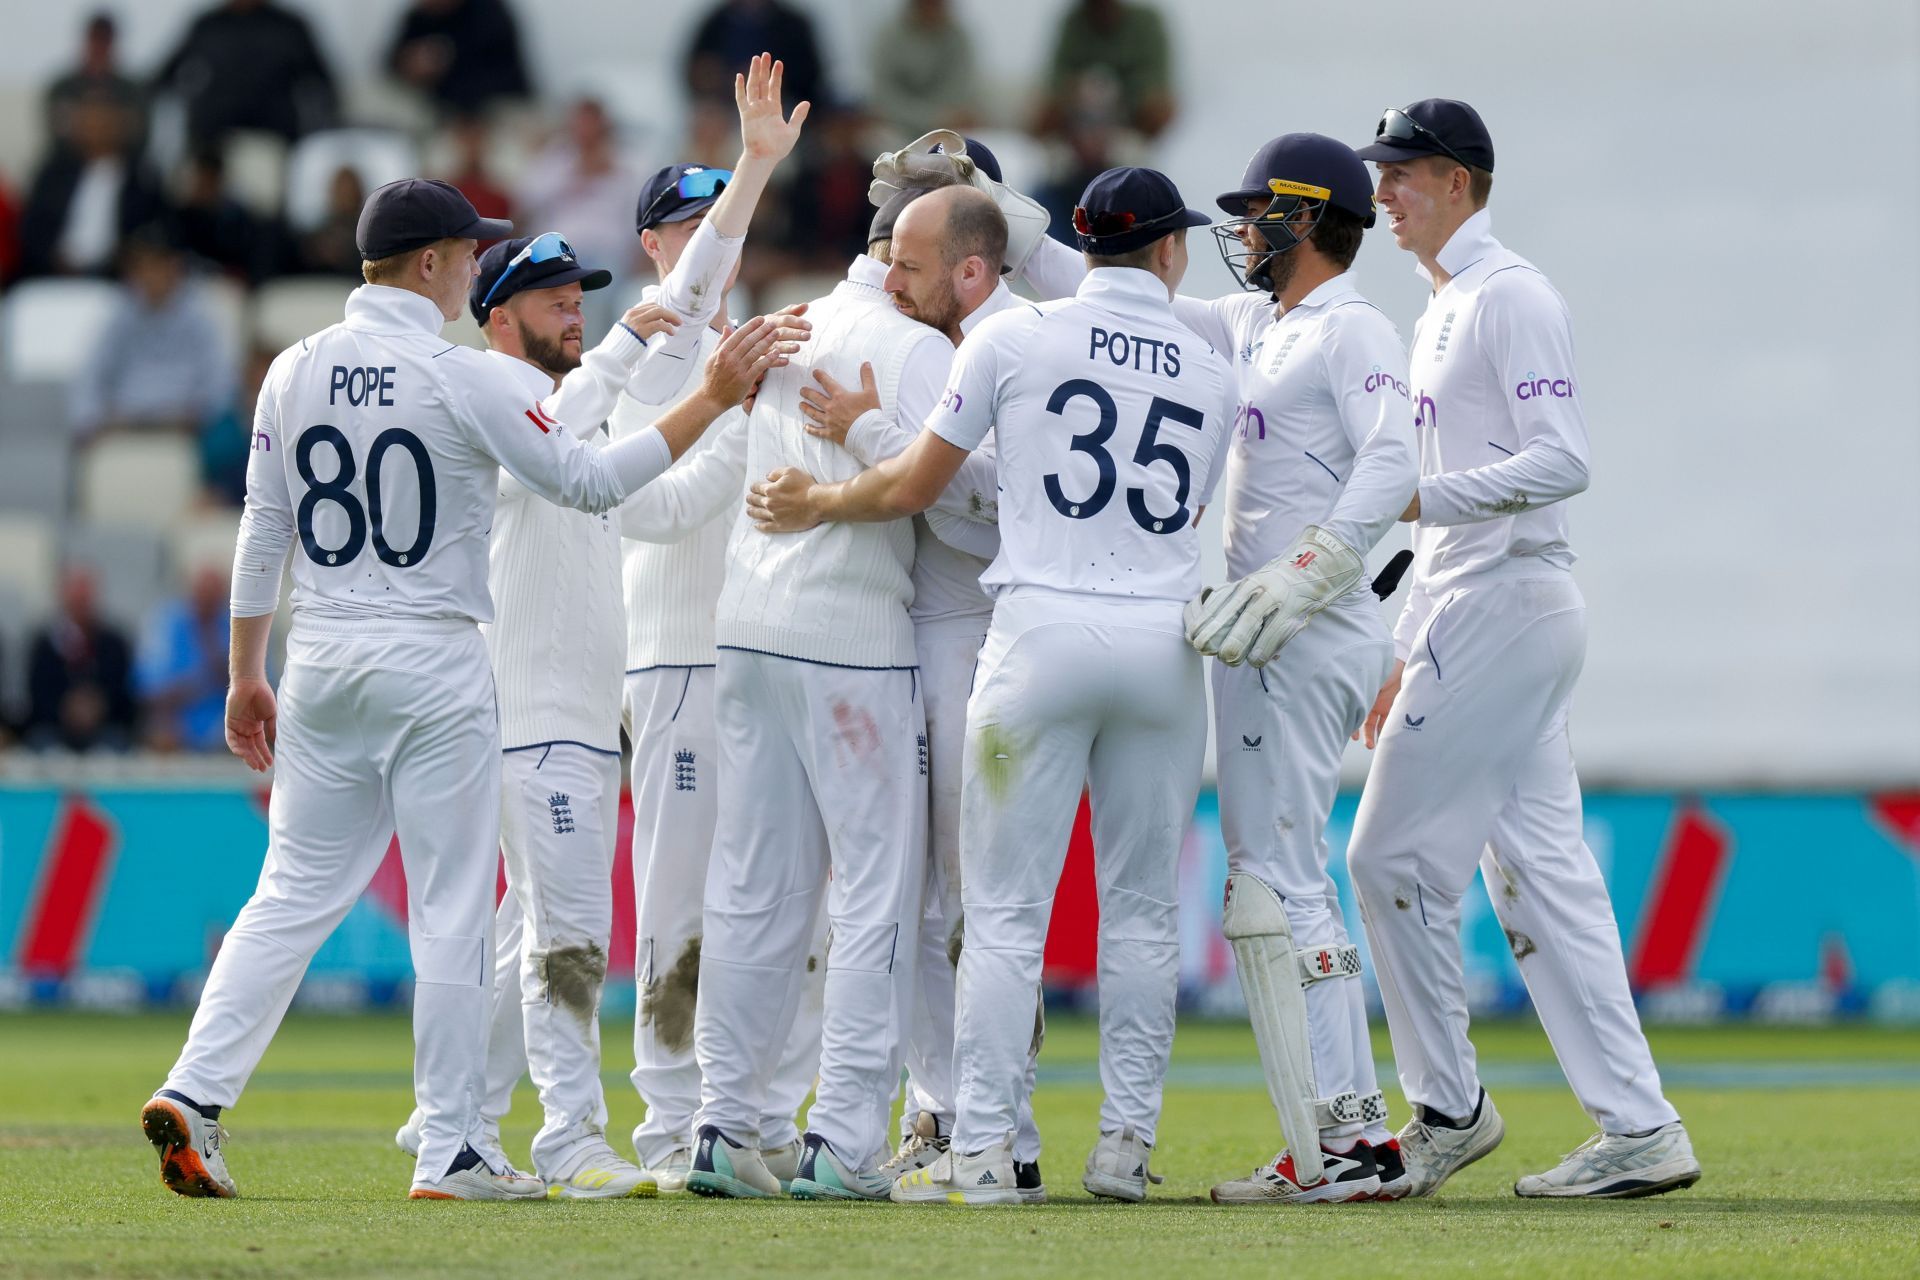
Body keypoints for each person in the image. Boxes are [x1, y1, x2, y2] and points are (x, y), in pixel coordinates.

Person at [137, 175, 794, 1201]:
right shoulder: (465, 373)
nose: (473, 265)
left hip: (318, 659)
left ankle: (196, 1088)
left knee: (290, 894)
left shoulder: (294, 368)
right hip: (435, 657)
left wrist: (244, 670)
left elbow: (262, 527)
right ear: (435, 263)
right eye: (467, 251)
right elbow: (587, 479)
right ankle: (453, 1143)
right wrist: (712, 397)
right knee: (452, 908)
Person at [747, 166, 1236, 1206]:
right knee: (1143, 913)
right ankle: (1125, 1149)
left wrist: (825, 494)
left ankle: (983, 1149)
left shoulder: (1016, 340)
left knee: (1003, 913)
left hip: (1037, 635)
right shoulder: (1212, 367)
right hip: (1159, 644)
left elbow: (923, 488)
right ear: (1169, 251)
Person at [394, 54, 813, 1199]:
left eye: (583, 299)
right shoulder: (516, 405)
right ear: (495, 317)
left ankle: (454, 1114)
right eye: (556, 302)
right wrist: (725, 408)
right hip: (585, 691)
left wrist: (751, 187)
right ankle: (597, 1132)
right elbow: (644, 478)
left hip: (595, 688)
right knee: (582, 929)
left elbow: (663, 338)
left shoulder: (632, 370)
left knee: (535, 921)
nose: (582, 316)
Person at [1344, 98, 1700, 1199]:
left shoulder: (1513, 296)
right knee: (1545, 882)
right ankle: (1642, 1129)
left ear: (1459, 181)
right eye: (1381, 173)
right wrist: (1406, 634)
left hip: (1510, 603)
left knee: (1384, 859)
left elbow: (1564, 459)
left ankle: (1447, 1109)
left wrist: (1423, 496)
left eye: (1402, 173)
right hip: (1478, 606)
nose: (1384, 194)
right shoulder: (1440, 310)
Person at [681, 151, 989, 1205]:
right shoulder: (909, 351)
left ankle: (725, 1123)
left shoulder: (786, 313)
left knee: (753, 886)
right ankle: (845, 1136)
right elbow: (949, 501)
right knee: (876, 895)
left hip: (748, 627)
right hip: (852, 640)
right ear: (908, 260)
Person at [792, 163, 1046, 1199]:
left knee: (972, 891)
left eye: (912, 261)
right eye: (889, 257)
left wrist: (868, 433)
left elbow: (971, 508)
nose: (892, 278)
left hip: (978, 633)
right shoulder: (937, 344)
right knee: (930, 893)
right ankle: (945, 1111)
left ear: (969, 259)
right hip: (930, 633)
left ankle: (992, 1122)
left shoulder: (1013, 342)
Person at [612, 106, 831, 1194]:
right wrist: (727, 407)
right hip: (675, 657)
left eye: (723, 219)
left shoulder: (773, 346)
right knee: (681, 901)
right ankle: (666, 1121)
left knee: (790, 899)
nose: (711, 239)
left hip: (770, 654)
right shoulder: (646, 351)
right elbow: (639, 509)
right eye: (688, 224)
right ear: (653, 243)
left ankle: (766, 1117)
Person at [70, 227, 234, 439]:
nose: (150, 276)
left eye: (157, 266)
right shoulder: (119, 315)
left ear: (175, 267)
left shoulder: (202, 316)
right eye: (143, 268)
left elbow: (220, 382)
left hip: (186, 428)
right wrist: (93, 420)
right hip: (125, 425)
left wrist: (200, 417)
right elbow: (90, 376)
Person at [18, 88, 164, 278]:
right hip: (55, 276)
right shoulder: (54, 175)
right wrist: (54, 258)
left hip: (121, 281)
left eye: (105, 121)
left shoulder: (141, 179)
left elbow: (151, 230)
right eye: (90, 121)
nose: (97, 128)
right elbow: (33, 228)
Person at [153, 0, 336, 148]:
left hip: (275, 133)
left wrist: (318, 132)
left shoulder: (290, 27)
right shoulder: (208, 25)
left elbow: (323, 82)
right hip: (215, 133)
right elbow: (166, 75)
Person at [25, 566, 137, 753]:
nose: (80, 602)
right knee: (42, 743)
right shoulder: (44, 643)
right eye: (75, 595)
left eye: (84, 595)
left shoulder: (114, 643)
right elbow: (37, 695)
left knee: (117, 744)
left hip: (104, 728)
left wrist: (98, 707)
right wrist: (66, 710)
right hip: (55, 728)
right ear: (63, 596)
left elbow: (125, 694)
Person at [1031, 0, 1175, 142]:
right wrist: (1082, 95)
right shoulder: (1073, 22)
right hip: (1079, 110)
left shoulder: (1145, 22)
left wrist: (1118, 99)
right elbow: (1058, 79)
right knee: (1043, 114)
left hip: (1132, 110)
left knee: (1160, 109)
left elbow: (1154, 78)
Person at [137, 564, 232, 753]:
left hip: (226, 728)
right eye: (203, 596)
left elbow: (263, 685)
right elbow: (150, 691)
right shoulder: (165, 625)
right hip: (175, 727)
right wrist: (202, 680)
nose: (207, 603)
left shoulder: (239, 626)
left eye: (213, 598)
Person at [387, 0, 532, 119]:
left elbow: (503, 78)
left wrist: (442, 70)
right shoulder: (419, 17)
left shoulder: (489, 14)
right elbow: (389, 63)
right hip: (435, 111)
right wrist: (406, 64)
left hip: (492, 109)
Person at [867, 0, 980, 140]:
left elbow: (958, 91)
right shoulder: (888, 37)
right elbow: (885, 96)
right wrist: (929, 118)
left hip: (946, 126)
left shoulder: (958, 38)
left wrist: (942, 118)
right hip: (896, 125)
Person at [44, 11, 145, 158]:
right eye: (95, 39)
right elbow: (57, 133)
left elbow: (140, 135)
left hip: (121, 161)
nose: (99, 48)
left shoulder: (131, 90)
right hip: (71, 162)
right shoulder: (62, 88)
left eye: (105, 41)